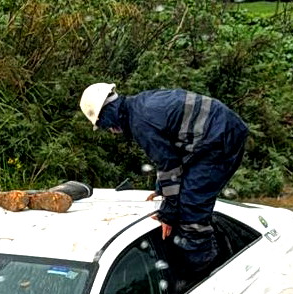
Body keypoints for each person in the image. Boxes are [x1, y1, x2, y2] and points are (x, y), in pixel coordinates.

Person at [79, 83, 249, 281]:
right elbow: (171, 154)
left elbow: (169, 165)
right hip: (217, 132)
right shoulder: (139, 105)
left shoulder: (140, 123)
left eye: (103, 125)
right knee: (184, 194)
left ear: (106, 113)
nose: (109, 130)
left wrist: (167, 213)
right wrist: (162, 189)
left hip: (221, 138)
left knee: (190, 208)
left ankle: (205, 271)